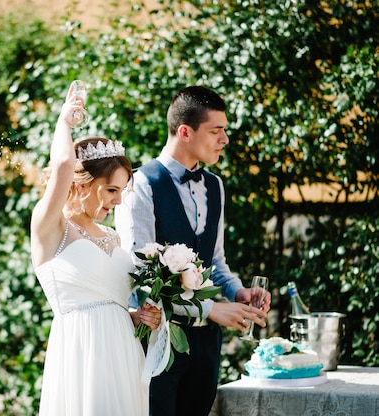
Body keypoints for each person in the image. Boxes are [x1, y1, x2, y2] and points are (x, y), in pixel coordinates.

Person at [115, 85, 272, 416]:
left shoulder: (215, 185)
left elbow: (215, 260)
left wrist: (237, 290)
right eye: (216, 131)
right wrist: (212, 308)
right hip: (158, 341)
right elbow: (139, 277)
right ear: (185, 131)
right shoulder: (140, 186)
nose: (224, 139)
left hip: (206, 346)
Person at [30, 85, 163, 415]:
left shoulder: (112, 236)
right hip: (81, 357)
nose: (119, 201)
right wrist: (64, 123)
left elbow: (108, 304)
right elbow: (62, 164)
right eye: (111, 190)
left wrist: (136, 317)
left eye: (122, 191)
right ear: (81, 183)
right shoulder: (50, 226)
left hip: (125, 356)